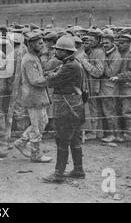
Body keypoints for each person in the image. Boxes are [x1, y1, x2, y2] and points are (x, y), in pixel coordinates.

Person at [42, 36, 85, 183]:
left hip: (66, 107)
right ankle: (78, 170)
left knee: (62, 140)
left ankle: (58, 174)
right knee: (74, 140)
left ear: (65, 51)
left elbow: (52, 81)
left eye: (58, 50)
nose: (55, 52)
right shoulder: (72, 63)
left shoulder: (69, 66)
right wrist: (53, 74)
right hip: (75, 106)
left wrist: (50, 75)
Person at [13, 32, 52, 163]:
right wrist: (51, 78)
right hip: (33, 96)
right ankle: (35, 154)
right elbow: (35, 80)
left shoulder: (34, 57)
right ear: (31, 44)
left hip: (37, 96)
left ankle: (21, 141)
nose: (43, 45)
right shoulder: (29, 59)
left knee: (43, 122)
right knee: (37, 126)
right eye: (39, 43)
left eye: (42, 42)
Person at [111, 34, 131, 142]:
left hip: (128, 88)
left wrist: (119, 77)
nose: (119, 44)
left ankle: (128, 134)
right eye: (119, 42)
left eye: (122, 43)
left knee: (127, 111)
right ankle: (121, 133)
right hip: (119, 87)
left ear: (129, 43)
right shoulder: (119, 53)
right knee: (118, 110)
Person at [79, 31, 105, 140]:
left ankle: (95, 132)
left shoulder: (98, 53)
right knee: (90, 107)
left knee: (94, 108)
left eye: (92, 39)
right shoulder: (89, 51)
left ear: (98, 40)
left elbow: (98, 72)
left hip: (94, 85)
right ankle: (96, 132)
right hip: (88, 84)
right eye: (87, 39)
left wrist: (84, 63)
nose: (89, 42)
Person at [100, 33, 122, 143]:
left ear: (112, 43)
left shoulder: (116, 55)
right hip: (105, 88)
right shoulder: (107, 53)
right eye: (103, 43)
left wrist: (102, 61)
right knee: (107, 111)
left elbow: (110, 73)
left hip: (110, 88)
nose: (104, 45)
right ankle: (112, 133)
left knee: (110, 111)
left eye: (107, 43)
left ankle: (113, 134)